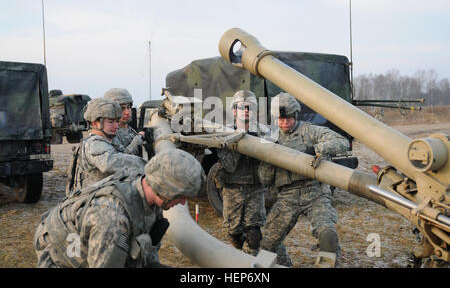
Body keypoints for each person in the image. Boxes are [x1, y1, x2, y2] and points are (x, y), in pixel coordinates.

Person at [34, 148, 202, 268]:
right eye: (180, 196)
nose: (182, 203)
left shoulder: (151, 195)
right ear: (164, 187)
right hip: (61, 257)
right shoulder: (112, 219)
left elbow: (147, 256)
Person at [258, 92, 350, 267]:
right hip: (287, 196)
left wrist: (316, 149)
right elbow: (264, 179)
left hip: (314, 192)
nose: (285, 122)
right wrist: (269, 159)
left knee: (328, 236)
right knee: (267, 245)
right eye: (281, 119)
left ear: (296, 115)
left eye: (289, 118)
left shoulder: (309, 131)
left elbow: (341, 141)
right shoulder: (270, 139)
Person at [214, 90, 269, 256]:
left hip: (255, 189)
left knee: (254, 234)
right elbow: (229, 165)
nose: (246, 110)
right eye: (241, 107)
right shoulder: (224, 134)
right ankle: (242, 253)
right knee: (234, 233)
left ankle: (249, 261)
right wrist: (240, 139)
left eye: (250, 107)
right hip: (232, 190)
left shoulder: (263, 134)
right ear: (234, 111)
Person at [66, 97, 147, 196]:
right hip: (93, 204)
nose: (116, 126)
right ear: (95, 123)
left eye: (117, 121)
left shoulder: (109, 140)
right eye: (111, 122)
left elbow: (125, 154)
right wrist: (148, 166)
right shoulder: (94, 144)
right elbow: (110, 162)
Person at [104, 88, 146, 155]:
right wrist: (139, 137)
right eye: (122, 109)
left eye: (128, 107)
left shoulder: (130, 130)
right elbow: (124, 157)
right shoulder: (111, 132)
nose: (127, 112)